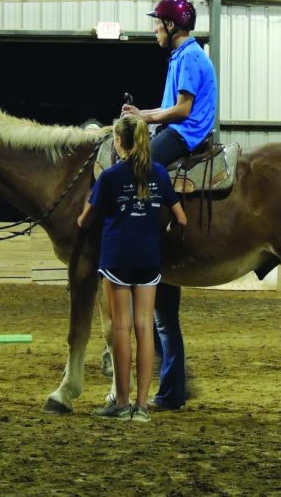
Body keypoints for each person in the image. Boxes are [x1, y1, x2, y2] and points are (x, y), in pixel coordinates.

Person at [119, 0, 216, 412]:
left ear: (174, 26)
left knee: (138, 170)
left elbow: (184, 109)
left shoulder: (190, 58)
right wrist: (143, 114)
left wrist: (147, 118)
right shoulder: (180, 56)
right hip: (178, 131)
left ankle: (144, 235)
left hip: (187, 135)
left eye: (159, 23)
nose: (155, 28)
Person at [78, 115, 187, 422]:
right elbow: (182, 219)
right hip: (149, 259)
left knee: (122, 329)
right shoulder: (159, 174)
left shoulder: (109, 177)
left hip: (117, 260)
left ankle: (121, 402)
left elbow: (84, 220)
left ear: (119, 142)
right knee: (145, 329)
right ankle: (142, 406)